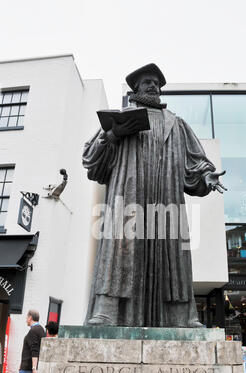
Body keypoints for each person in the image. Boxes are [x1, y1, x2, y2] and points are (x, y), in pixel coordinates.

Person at [83, 63, 226, 328]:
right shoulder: (121, 117)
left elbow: (195, 161)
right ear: (135, 86)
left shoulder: (176, 123)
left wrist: (207, 175)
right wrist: (113, 134)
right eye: (148, 81)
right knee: (118, 251)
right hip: (127, 199)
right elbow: (92, 161)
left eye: (157, 83)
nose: (153, 86)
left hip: (166, 199)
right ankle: (107, 312)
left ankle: (181, 316)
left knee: (173, 257)